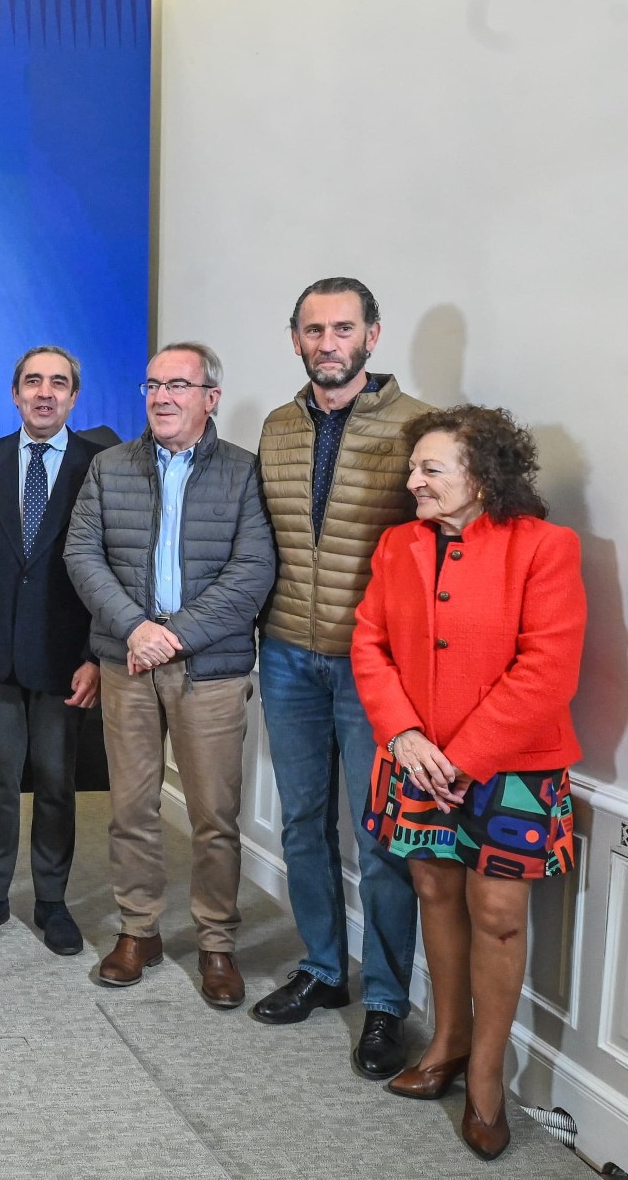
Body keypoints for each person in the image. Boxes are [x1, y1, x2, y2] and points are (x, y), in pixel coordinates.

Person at [353, 405, 582, 1162]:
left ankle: (487, 1077)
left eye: (431, 469)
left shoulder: (545, 547)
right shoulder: (397, 545)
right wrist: (404, 734)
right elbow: (369, 642)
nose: (413, 482)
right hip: (416, 757)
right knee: (434, 892)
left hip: (514, 769)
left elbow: (548, 670)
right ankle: (447, 1042)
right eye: (412, 468)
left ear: (482, 476)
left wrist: (463, 758)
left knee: (500, 915)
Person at [250, 278, 431, 1078]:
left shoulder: (417, 424)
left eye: (344, 328)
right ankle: (324, 968)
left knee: (379, 834)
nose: (329, 342)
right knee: (303, 821)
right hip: (288, 652)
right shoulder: (278, 425)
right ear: (295, 338)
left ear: (372, 336)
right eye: (314, 329)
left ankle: (386, 999)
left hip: (373, 666)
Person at [63, 342, 275, 1008]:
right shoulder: (109, 467)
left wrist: (174, 636)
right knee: (131, 809)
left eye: (177, 385)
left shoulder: (244, 471)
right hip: (127, 661)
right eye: (152, 384)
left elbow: (253, 571)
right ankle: (139, 930)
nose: (161, 397)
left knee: (214, 814)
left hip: (208, 668)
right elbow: (82, 553)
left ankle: (216, 941)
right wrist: (136, 628)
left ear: (211, 397)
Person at [0, 346, 103, 955]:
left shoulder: (101, 465)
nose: (45, 393)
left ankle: (51, 900)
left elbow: (114, 566)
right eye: (33, 382)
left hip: (68, 659)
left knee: (57, 782)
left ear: (73, 396)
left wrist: (95, 655)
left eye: (58, 383)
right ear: (15, 393)